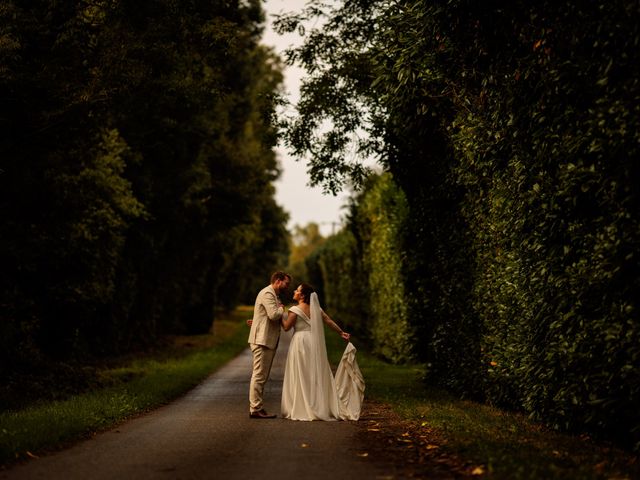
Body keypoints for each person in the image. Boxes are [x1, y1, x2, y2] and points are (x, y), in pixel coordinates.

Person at [280, 283, 364, 421]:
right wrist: (341, 332)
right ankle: (317, 404)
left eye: (297, 290)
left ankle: (301, 405)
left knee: (301, 373)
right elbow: (328, 321)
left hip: (300, 342)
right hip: (313, 342)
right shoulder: (316, 308)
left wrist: (278, 316)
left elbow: (286, 327)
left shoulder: (294, 310)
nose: (294, 291)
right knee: (314, 372)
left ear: (302, 295)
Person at [248, 271, 291, 419]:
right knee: (259, 375)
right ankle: (255, 409)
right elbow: (273, 315)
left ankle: (257, 406)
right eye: (286, 283)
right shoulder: (267, 293)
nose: (287, 286)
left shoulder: (273, 294)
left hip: (265, 339)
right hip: (262, 340)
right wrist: (281, 308)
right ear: (278, 281)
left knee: (261, 375)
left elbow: (263, 315)